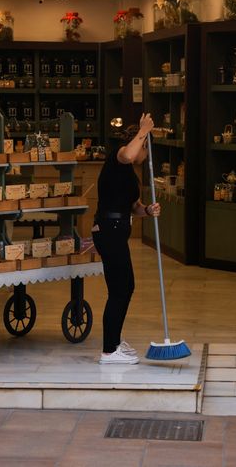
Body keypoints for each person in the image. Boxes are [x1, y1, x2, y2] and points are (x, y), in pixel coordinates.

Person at [93, 114, 161, 365]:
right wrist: (143, 130)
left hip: (118, 228)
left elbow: (133, 206)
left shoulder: (130, 175)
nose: (148, 154)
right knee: (119, 290)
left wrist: (147, 211)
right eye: (147, 147)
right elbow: (130, 154)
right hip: (108, 230)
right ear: (140, 143)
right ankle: (109, 350)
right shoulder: (118, 156)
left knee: (126, 287)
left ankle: (115, 342)